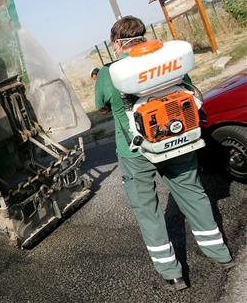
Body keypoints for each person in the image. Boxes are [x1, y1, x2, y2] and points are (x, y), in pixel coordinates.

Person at [94, 16, 234, 291]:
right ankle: (220, 253)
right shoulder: (169, 59)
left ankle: (172, 273)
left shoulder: (109, 72)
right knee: (193, 194)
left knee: (148, 210)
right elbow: (188, 89)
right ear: (143, 37)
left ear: (116, 43)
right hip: (178, 141)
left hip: (136, 153)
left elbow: (101, 107)